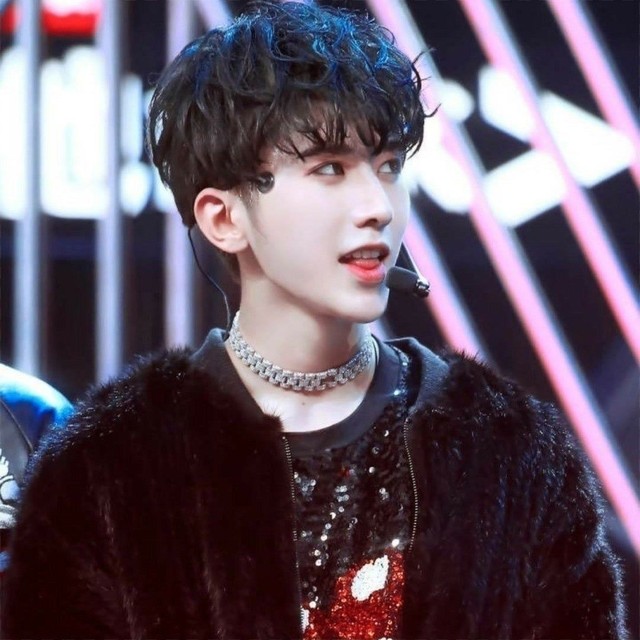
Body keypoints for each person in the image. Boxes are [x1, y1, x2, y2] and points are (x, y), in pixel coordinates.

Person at [2, 2, 627, 638]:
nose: (378, 206)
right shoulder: (111, 466)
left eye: (389, 167)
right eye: (330, 168)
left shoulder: (509, 450)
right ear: (223, 217)